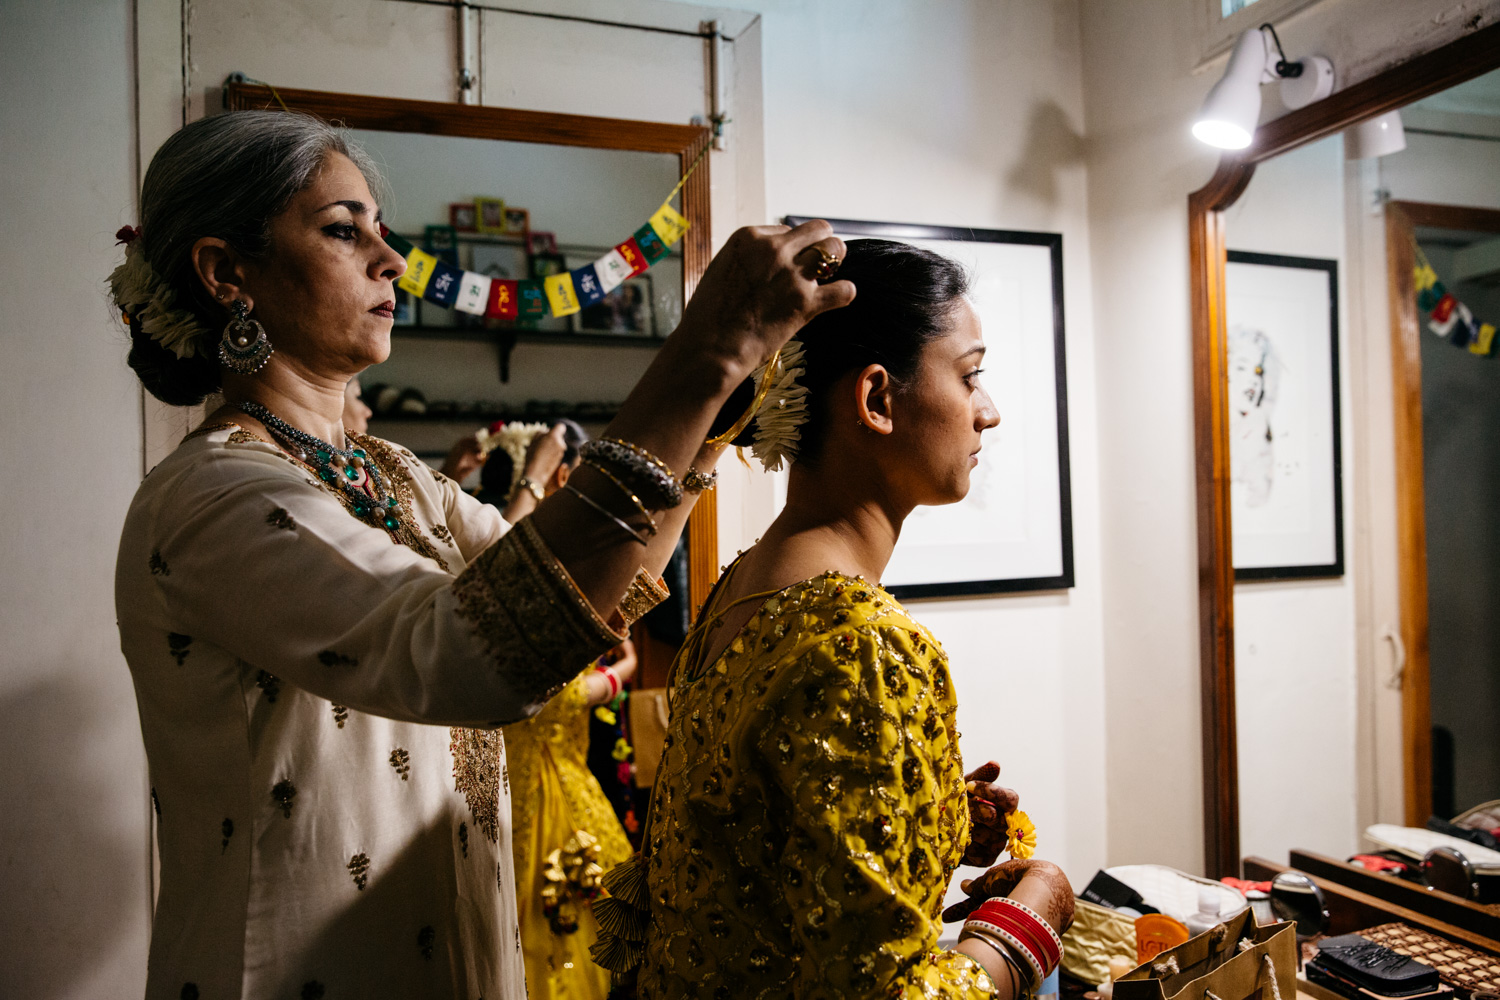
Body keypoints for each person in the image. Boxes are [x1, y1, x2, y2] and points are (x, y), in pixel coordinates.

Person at [110, 109, 852, 1000]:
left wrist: (720, 397)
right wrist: (699, 353)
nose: (391, 261)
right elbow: (478, 652)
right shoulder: (213, 497)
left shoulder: (393, 476)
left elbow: (579, 605)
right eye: (344, 231)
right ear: (228, 272)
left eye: (382, 232)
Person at [596, 240, 1076, 999]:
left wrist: (933, 821)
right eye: (970, 374)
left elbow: (756, 854)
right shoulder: (866, 647)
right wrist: (1026, 927)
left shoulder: (744, 587)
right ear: (877, 398)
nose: (989, 410)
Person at [476, 419, 640, 999]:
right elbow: (547, 691)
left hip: (556, 781)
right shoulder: (508, 569)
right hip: (530, 790)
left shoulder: (553, 565)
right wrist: (616, 679)